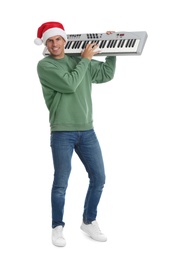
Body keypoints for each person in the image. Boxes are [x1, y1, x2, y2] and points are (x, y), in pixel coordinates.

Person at [34, 21, 116, 247]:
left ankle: (88, 221)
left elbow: (106, 74)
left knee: (99, 178)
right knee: (61, 182)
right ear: (46, 44)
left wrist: (112, 48)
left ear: (64, 40)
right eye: (49, 41)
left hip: (87, 130)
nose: (54, 44)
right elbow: (70, 84)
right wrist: (86, 59)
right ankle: (57, 227)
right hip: (62, 131)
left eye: (58, 39)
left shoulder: (79, 59)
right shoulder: (45, 66)